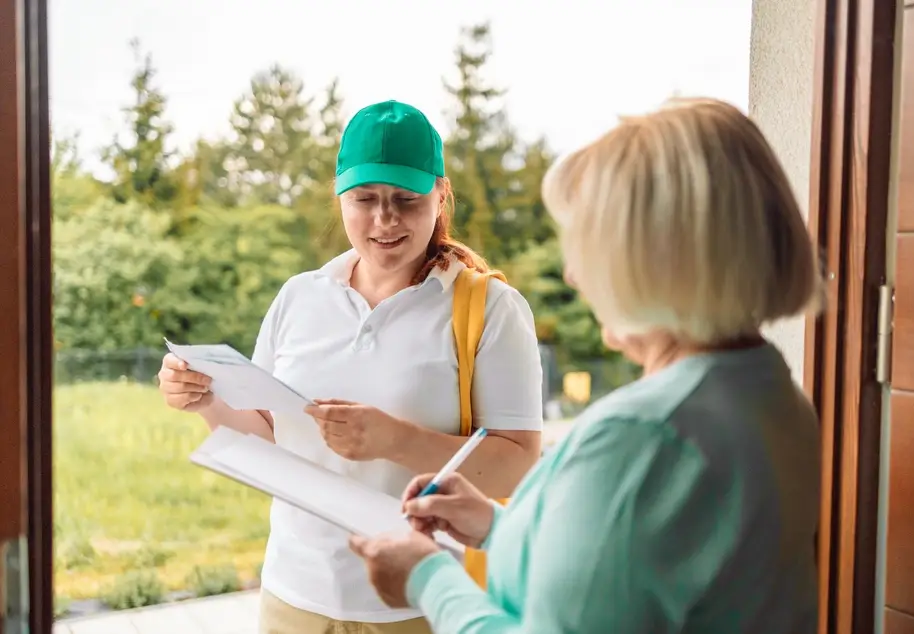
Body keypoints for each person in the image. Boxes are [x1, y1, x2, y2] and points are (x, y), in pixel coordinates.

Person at [349, 97, 823, 633]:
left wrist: (427, 578)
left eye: (589, 246)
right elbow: (636, 575)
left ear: (655, 258)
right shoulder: (772, 392)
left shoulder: (641, 438)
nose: (574, 275)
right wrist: (499, 528)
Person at [157, 100, 544, 634]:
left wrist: (393, 439)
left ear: (441, 193)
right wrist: (208, 401)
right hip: (293, 597)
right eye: (365, 199)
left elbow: (518, 463)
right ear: (340, 195)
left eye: (405, 200)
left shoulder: (491, 309)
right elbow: (272, 437)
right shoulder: (299, 296)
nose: (385, 219)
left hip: (419, 604)